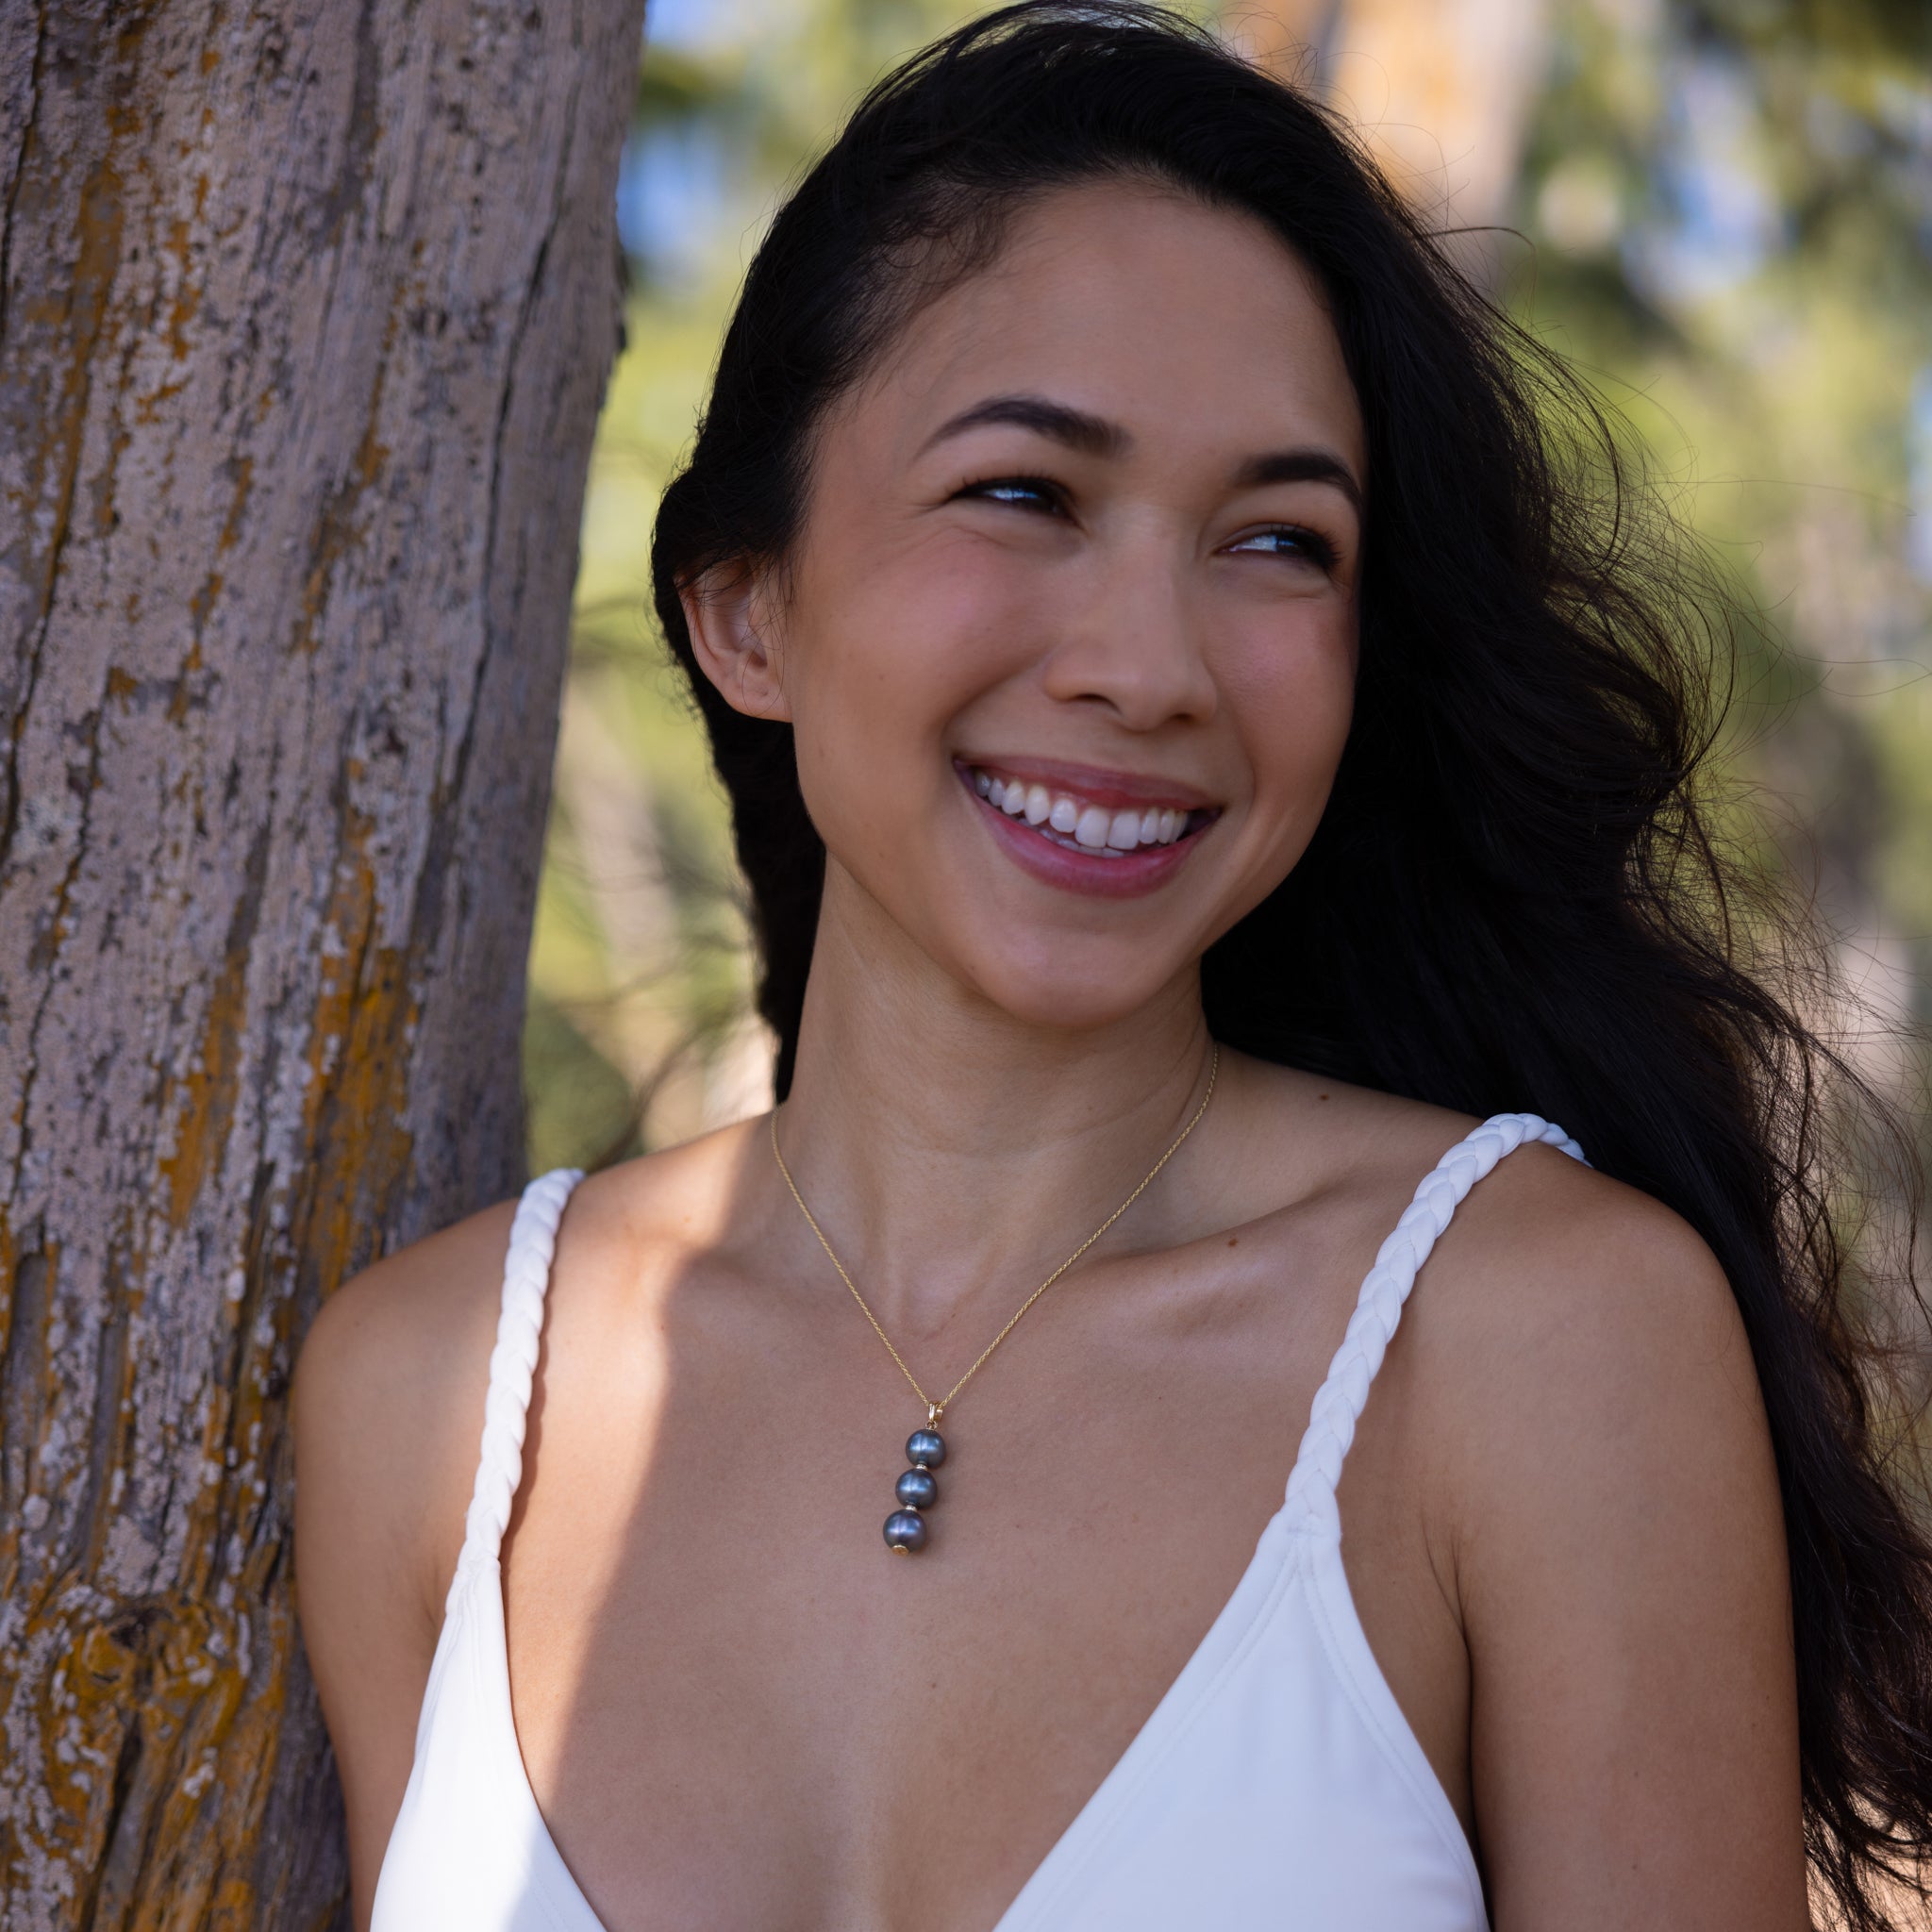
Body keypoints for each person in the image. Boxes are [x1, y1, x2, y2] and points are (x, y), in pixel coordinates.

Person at [291, 6, 1932, 1927]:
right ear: (745, 610)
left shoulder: (1532, 1341)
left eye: (1274, 541)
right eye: (1025, 494)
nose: (1148, 664)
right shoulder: (442, 1398)